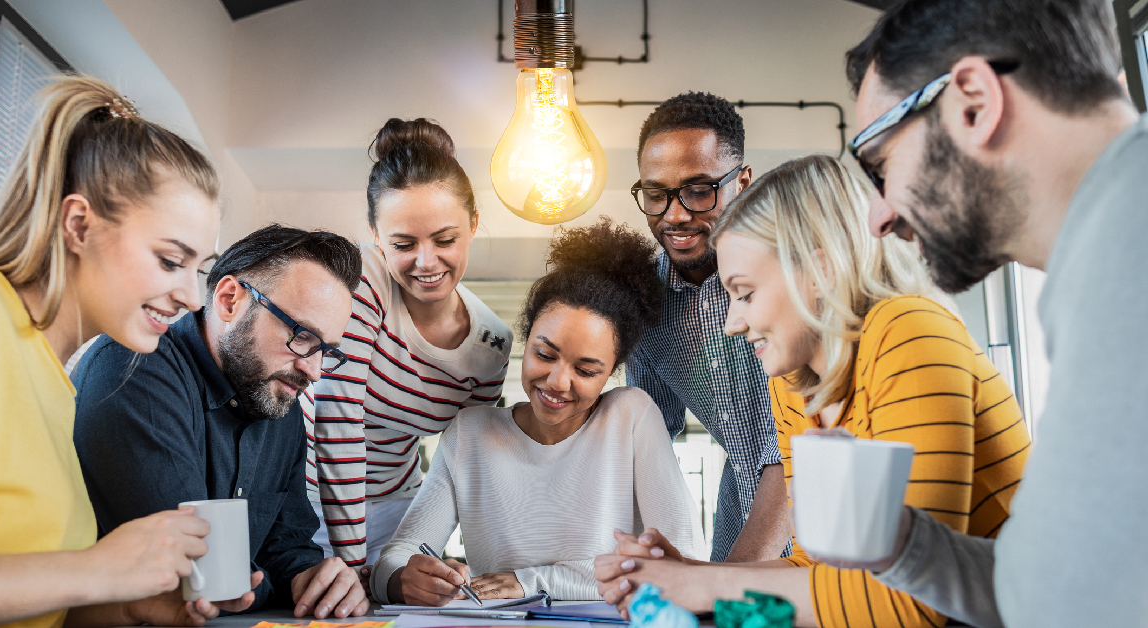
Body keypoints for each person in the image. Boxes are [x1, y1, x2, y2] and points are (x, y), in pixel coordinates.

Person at [810, 1, 1148, 626]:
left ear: (973, 102)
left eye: (878, 165)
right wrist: (894, 539)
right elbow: (1039, 593)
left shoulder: (1129, 246)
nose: (879, 215)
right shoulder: (1098, 256)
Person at [594, 155, 1031, 628]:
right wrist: (685, 576)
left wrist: (702, 587)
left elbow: (916, 601)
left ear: (818, 272)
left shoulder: (908, 329)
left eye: (744, 292)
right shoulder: (792, 384)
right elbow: (813, 570)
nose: (732, 323)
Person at [0, 75, 252, 628]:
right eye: (169, 260)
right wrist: (97, 570)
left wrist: (132, 604)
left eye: (200, 270)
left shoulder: (55, 382)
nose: (190, 296)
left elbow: (36, 607)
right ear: (78, 225)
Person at [372, 217, 705, 605]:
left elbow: (683, 564)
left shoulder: (630, 417)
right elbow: (394, 558)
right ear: (526, 339)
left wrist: (536, 580)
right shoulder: (471, 434)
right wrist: (402, 580)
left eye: (585, 370)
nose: (557, 382)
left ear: (611, 372)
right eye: (544, 354)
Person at [71, 225, 370, 619]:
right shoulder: (133, 367)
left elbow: (287, 546)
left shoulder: (280, 404)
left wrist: (313, 580)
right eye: (302, 336)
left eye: (326, 351)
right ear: (230, 300)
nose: (313, 371)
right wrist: (274, 584)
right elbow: (199, 576)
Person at [305, 118, 512, 572]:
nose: (426, 262)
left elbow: (469, 461)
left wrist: (489, 566)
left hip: (399, 509)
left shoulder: (491, 345)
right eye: (403, 243)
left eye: (445, 240)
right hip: (306, 501)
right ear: (376, 235)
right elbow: (338, 415)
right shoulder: (364, 274)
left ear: (473, 225)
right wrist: (353, 566)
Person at [626, 92, 791, 563]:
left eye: (699, 190)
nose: (675, 215)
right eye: (656, 195)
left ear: (742, 183)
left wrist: (729, 582)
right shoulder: (645, 303)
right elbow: (648, 437)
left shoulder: (790, 274)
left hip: (829, 508)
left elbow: (795, 450)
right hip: (740, 509)